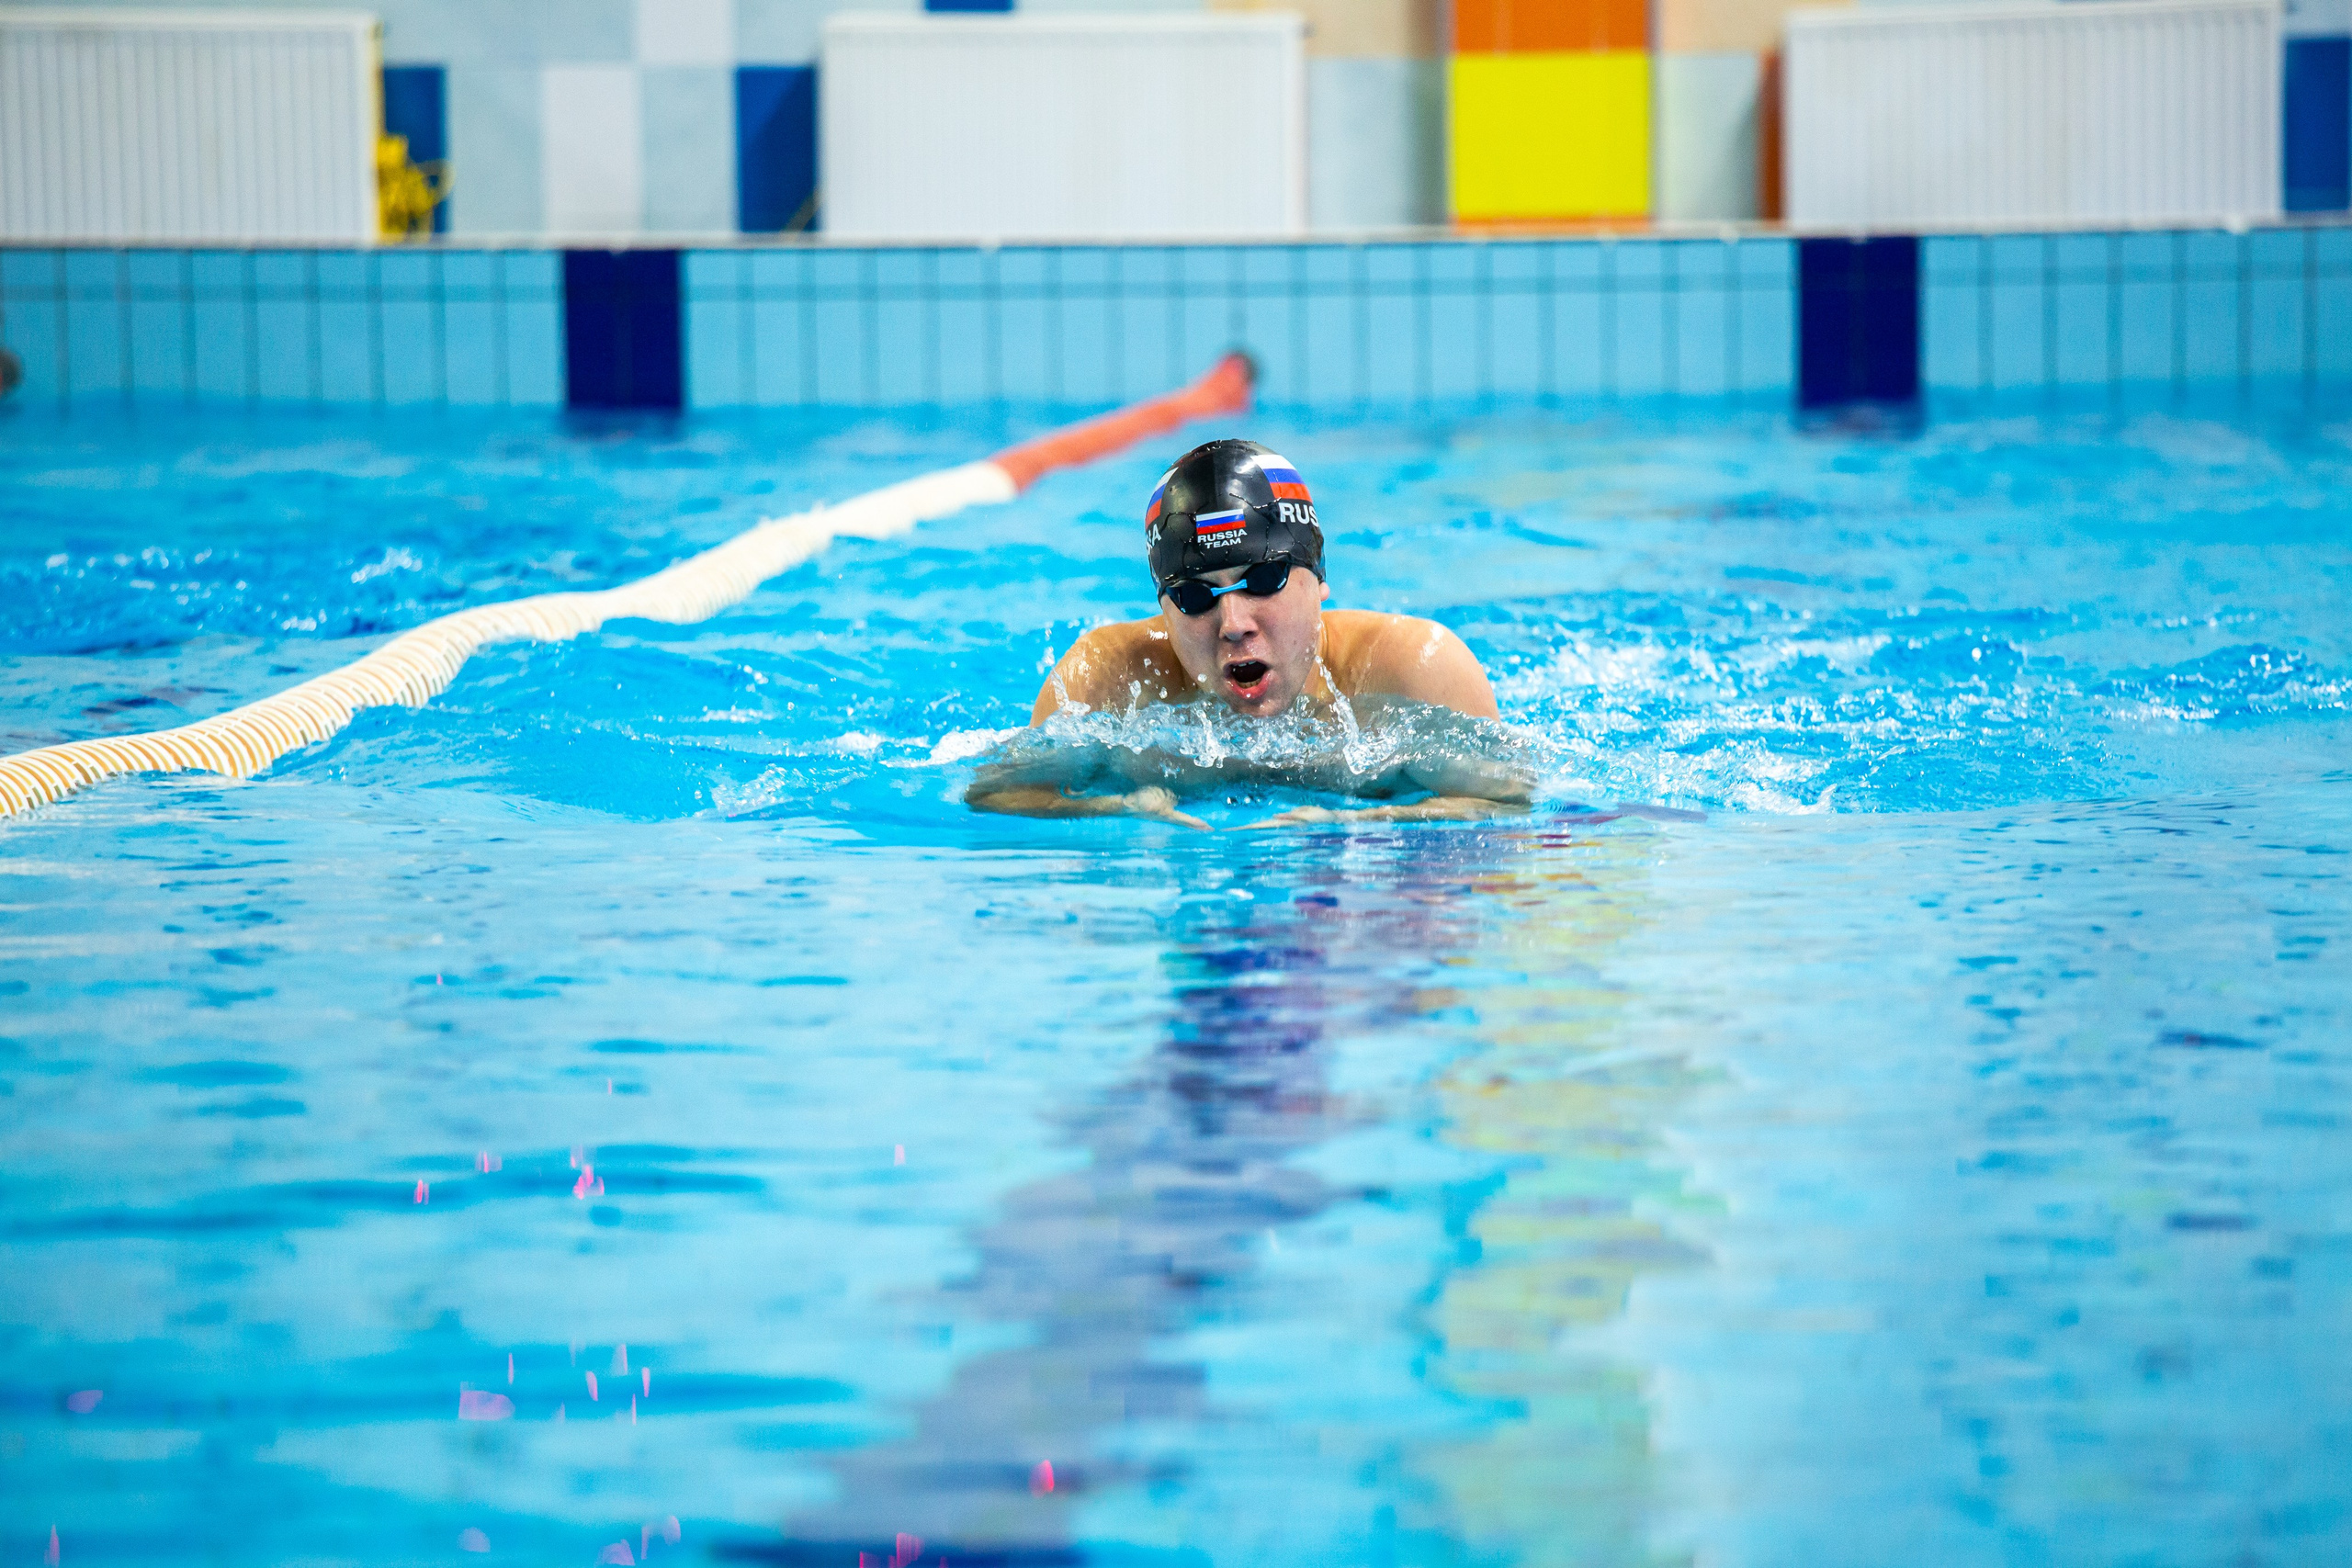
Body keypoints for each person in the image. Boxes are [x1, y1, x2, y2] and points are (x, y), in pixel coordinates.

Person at [966, 438, 1531, 829]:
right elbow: (996, 792)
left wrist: (1365, 823)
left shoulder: (1415, 669)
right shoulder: (1109, 678)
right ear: (1163, 608)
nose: (1234, 625)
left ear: (1319, 576)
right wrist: (1114, 813)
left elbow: (1511, 802)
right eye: (1192, 596)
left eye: (1262, 580)